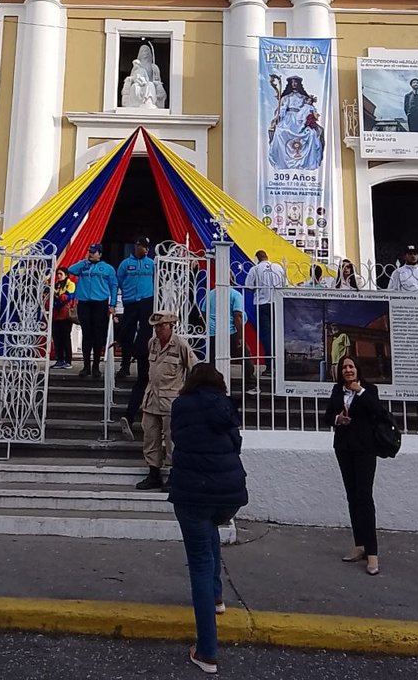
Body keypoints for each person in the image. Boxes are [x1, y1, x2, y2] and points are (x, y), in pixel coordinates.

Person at [167, 363, 249, 675]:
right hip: (229, 493)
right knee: (211, 530)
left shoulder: (181, 406)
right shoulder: (227, 406)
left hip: (193, 492)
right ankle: (217, 597)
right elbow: (237, 443)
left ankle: (207, 651)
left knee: (199, 562)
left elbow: (177, 438)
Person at [322, 354, 383, 576]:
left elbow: (378, 411)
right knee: (352, 496)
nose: (348, 370)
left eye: (351, 366)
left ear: (358, 369)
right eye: (344, 367)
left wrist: (359, 391)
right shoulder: (338, 391)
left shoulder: (369, 390)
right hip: (344, 448)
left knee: (365, 498)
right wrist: (338, 419)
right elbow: (327, 415)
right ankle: (359, 545)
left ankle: (373, 553)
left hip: (365, 449)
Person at [136, 310, 196, 492]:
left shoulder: (180, 345)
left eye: (162, 326)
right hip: (152, 398)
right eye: (156, 326)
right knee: (150, 437)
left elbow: (194, 368)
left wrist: (188, 393)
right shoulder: (152, 343)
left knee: (172, 439)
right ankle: (153, 473)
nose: (158, 330)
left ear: (171, 326)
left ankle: (173, 474)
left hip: (171, 401)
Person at [67, 244, 117, 379]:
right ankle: (86, 366)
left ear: (100, 254)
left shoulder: (108, 268)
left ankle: (96, 366)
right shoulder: (83, 266)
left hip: (100, 302)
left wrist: (112, 305)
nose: (90, 254)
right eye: (89, 252)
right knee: (86, 334)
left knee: (98, 335)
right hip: (84, 302)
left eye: (93, 252)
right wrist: (84, 262)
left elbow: (113, 286)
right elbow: (71, 269)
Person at [206, 277, 257, 396]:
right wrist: (240, 337)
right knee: (245, 355)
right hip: (230, 333)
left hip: (213, 333)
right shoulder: (235, 294)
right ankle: (250, 385)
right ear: (232, 280)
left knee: (214, 360)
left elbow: (203, 312)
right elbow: (238, 316)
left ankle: (214, 387)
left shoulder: (210, 294)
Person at [116, 237, 155, 380]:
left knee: (146, 333)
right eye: (144, 246)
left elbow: (157, 281)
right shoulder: (125, 264)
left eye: (147, 247)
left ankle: (144, 365)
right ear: (137, 246)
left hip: (146, 301)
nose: (146, 249)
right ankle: (125, 365)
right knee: (127, 332)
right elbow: (119, 281)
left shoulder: (151, 263)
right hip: (130, 302)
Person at [268, 75, 324, 171]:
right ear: (290, 84)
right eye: (292, 82)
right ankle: (282, 161)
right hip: (288, 119)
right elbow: (282, 110)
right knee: (279, 132)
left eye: (296, 82)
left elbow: (308, 109)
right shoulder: (286, 97)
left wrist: (310, 118)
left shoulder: (303, 97)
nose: (294, 84)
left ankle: (308, 161)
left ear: (299, 84)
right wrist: (278, 114)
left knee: (312, 134)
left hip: (300, 119)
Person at [243, 251, 286, 377]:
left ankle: (270, 366)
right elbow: (286, 285)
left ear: (257, 258)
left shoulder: (255, 269)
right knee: (278, 335)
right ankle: (280, 365)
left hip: (262, 304)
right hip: (277, 303)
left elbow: (248, 286)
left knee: (267, 336)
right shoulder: (278, 268)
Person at [51, 267, 76, 369]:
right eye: (57, 274)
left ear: (66, 275)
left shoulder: (70, 284)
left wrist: (56, 293)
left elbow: (68, 297)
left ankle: (68, 360)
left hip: (65, 315)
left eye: (61, 274)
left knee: (65, 337)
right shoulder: (56, 285)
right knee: (56, 338)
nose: (59, 276)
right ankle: (59, 359)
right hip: (56, 315)